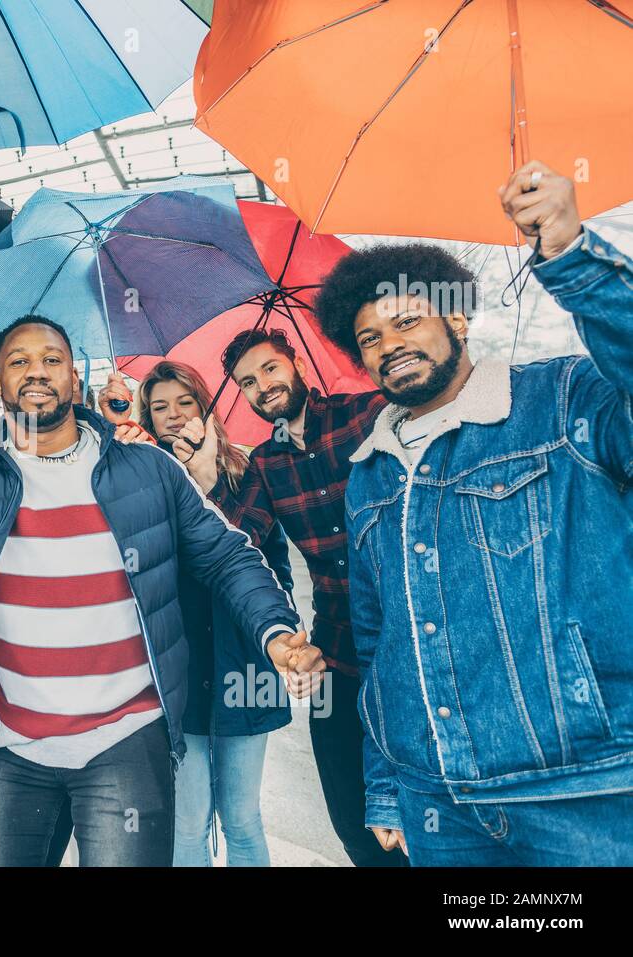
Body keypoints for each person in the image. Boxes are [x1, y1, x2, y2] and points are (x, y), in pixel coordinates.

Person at [0, 306, 324, 867]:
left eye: (52, 359)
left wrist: (276, 631)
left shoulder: (145, 467)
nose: (37, 371)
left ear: (75, 378)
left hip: (127, 739)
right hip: (15, 745)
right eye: (19, 361)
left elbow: (226, 556)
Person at [315, 162, 633, 866]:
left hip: (582, 790)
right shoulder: (369, 472)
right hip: (441, 808)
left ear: (456, 316)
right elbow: (378, 641)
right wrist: (387, 785)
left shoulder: (562, 398)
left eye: (407, 320)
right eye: (369, 339)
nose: (389, 343)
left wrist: (570, 254)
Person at [204, 325, 399, 867]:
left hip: (410, 647)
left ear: (295, 363)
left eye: (269, 368)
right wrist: (197, 456)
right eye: (247, 381)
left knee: (425, 811)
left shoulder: (368, 414)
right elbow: (234, 536)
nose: (262, 385)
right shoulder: (266, 462)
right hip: (335, 654)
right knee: (353, 821)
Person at [125, 361, 295, 866]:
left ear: (205, 407)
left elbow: (255, 561)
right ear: (150, 421)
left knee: (241, 818)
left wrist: (209, 484)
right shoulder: (141, 481)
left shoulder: (249, 474)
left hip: (245, 666)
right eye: (160, 408)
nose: (174, 416)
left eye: (184, 403)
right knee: (187, 821)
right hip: (179, 670)